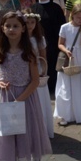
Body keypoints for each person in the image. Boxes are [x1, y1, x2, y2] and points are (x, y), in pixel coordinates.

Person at [0, 12, 51, 161]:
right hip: (5, 98)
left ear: (23, 28)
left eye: (15, 26)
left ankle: (36, 156)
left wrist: (20, 99)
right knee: (7, 139)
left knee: (29, 133)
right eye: (8, 26)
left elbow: (34, 81)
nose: (11, 29)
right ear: (2, 28)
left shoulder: (28, 53)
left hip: (25, 98)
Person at [54, 4, 81, 126]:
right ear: (72, 15)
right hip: (69, 58)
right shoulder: (65, 27)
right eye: (78, 18)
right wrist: (66, 51)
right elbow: (60, 44)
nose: (80, 20)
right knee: (66, 86)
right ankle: (67, 114)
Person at [24, 9, 55, 139]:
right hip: (24, 69)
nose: (30, 25)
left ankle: (42, 127)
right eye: (27, 22)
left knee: (39, 97)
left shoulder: (39, 39)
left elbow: (43, 56)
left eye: (32, 22)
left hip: (37, 67)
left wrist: (43, 70)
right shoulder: (20, 39)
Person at [31, 0, 67, 93]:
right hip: (37, 40)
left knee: (51, 63)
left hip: (52, 40)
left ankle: (52, 86)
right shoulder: (33, 8)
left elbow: (62, 25)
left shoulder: (56, 8)